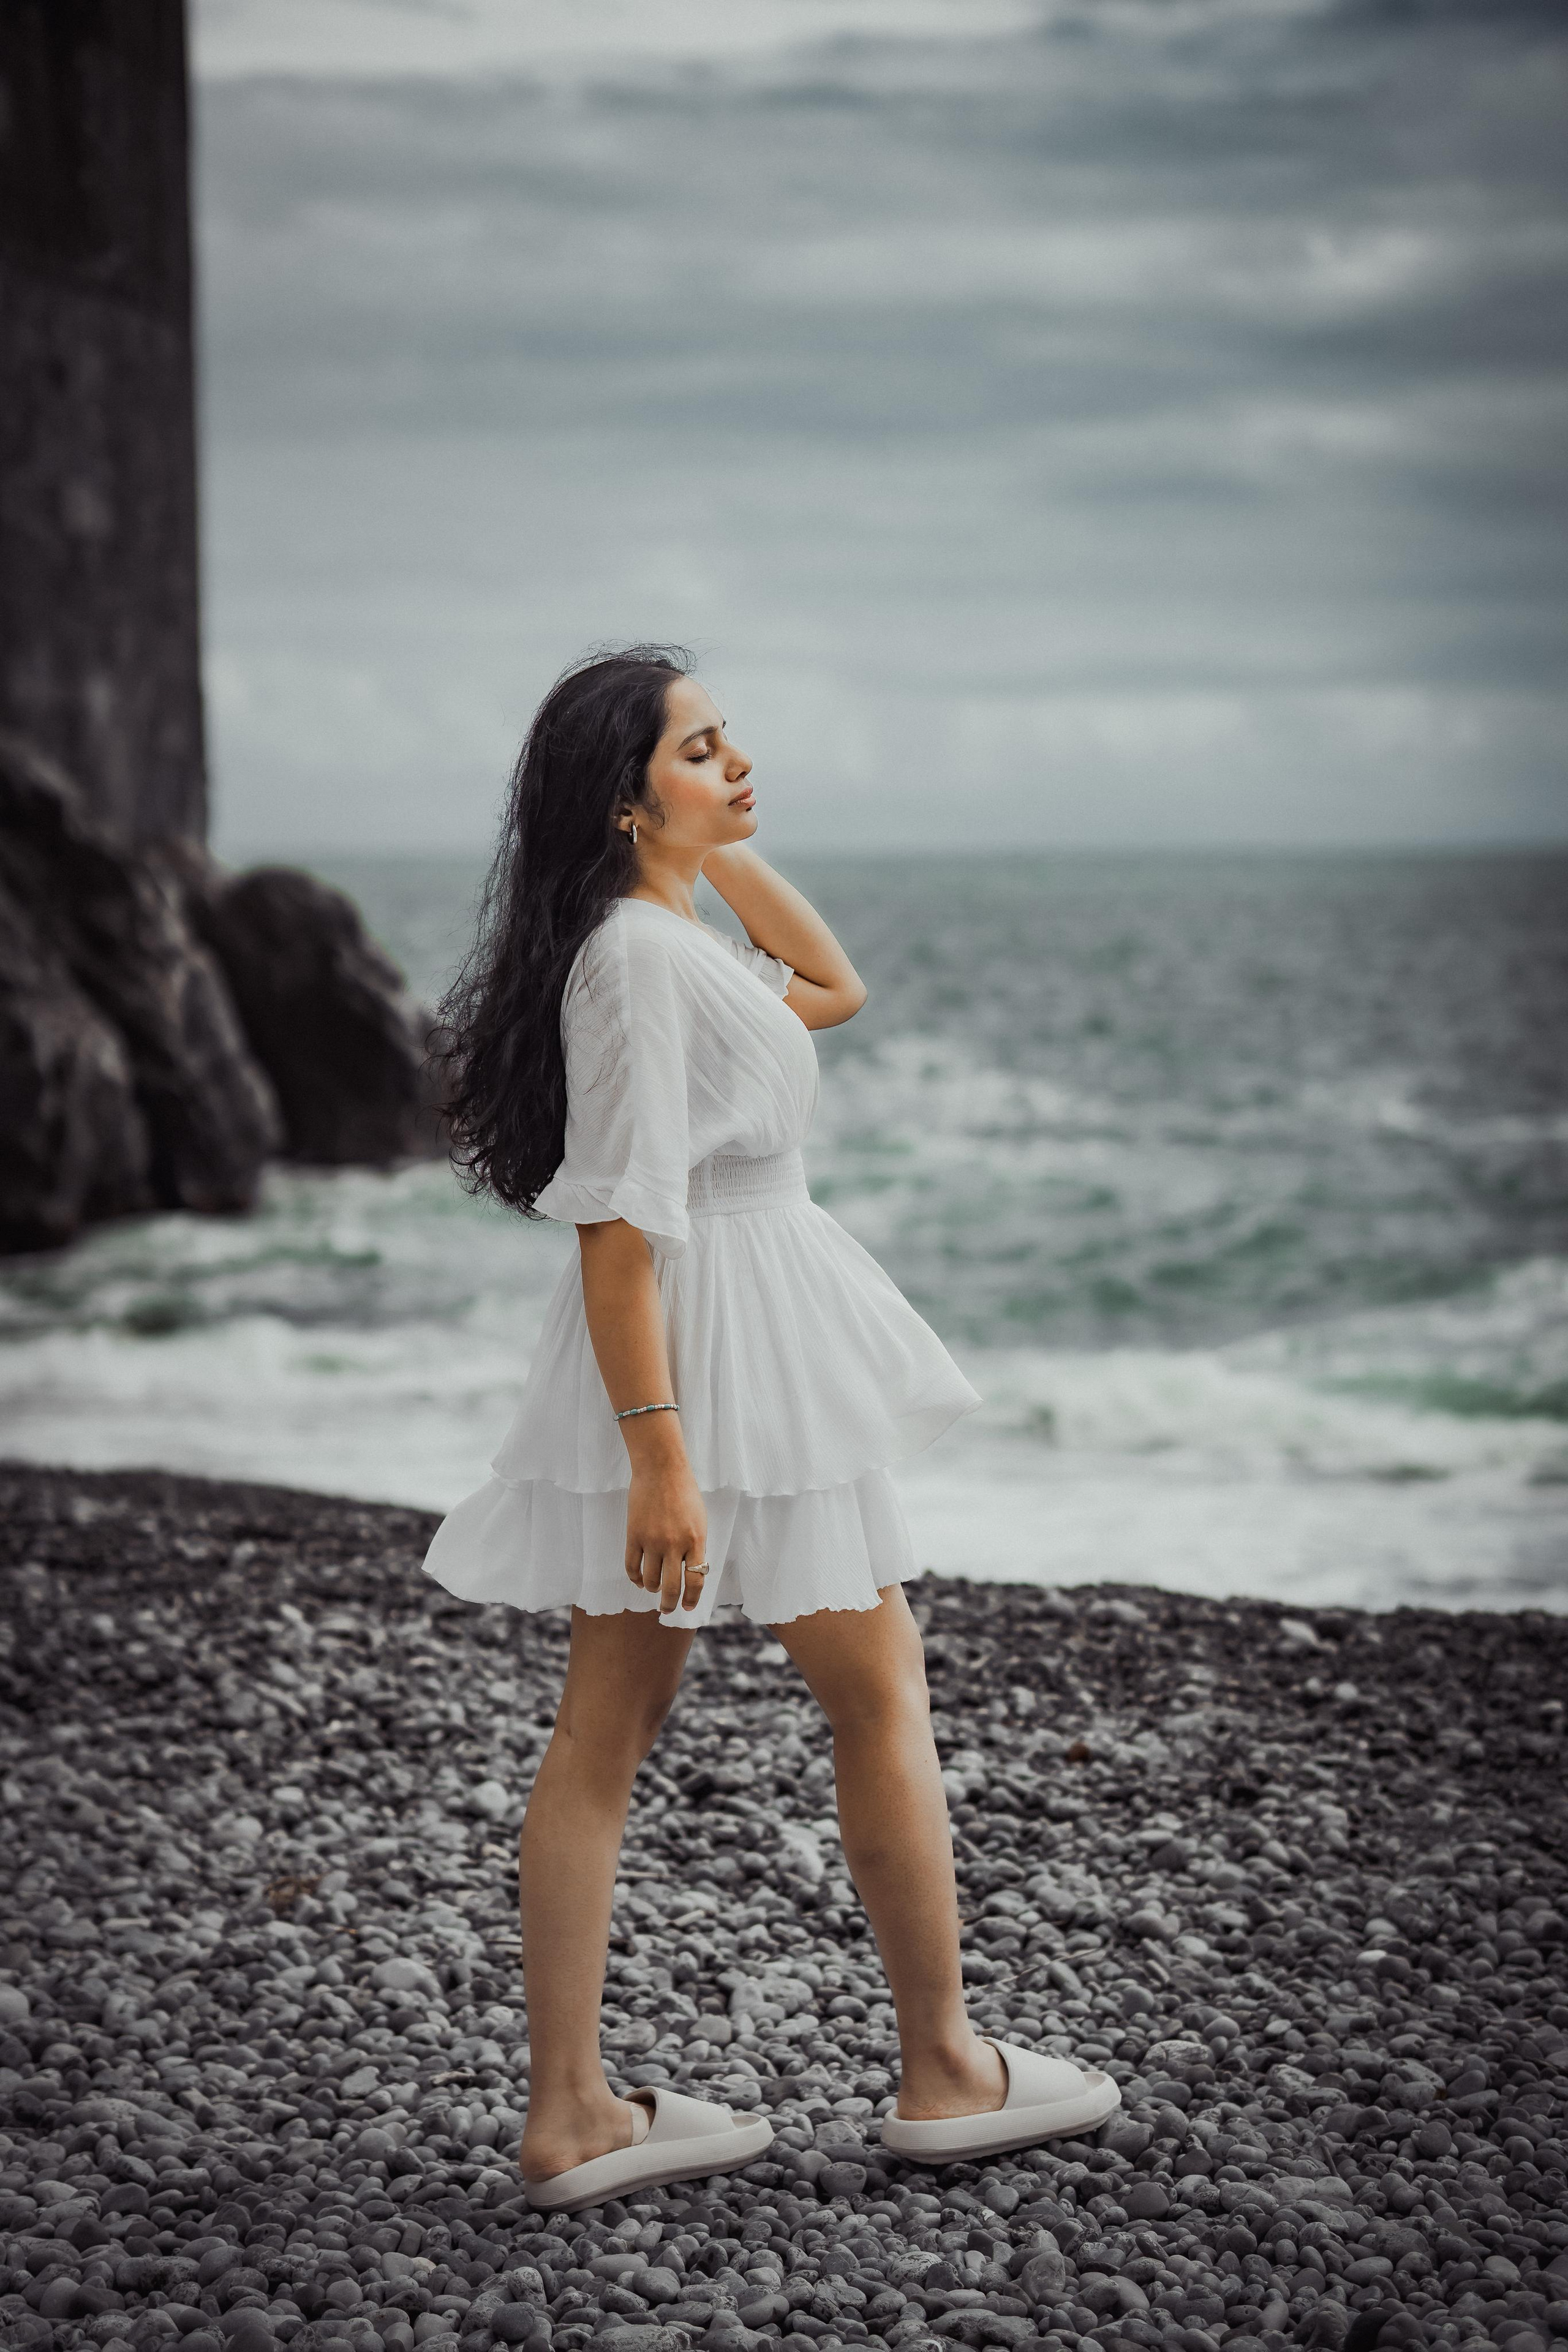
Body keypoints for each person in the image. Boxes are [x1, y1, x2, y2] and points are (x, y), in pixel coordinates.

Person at [424, 647, 1118, 2211]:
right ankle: (937, 2070)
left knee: (621, 1727)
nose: (737, 763)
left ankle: (579, 2110)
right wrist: (661, 1457)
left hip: (727, 1336)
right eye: (699, 750)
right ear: (617, 799)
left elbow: (829, 989)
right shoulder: (637, 962)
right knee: (863, 1696)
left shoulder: (656, 939)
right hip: (718, 1356)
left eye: (733, 743)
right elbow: (614, 1230)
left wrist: (705, 839)